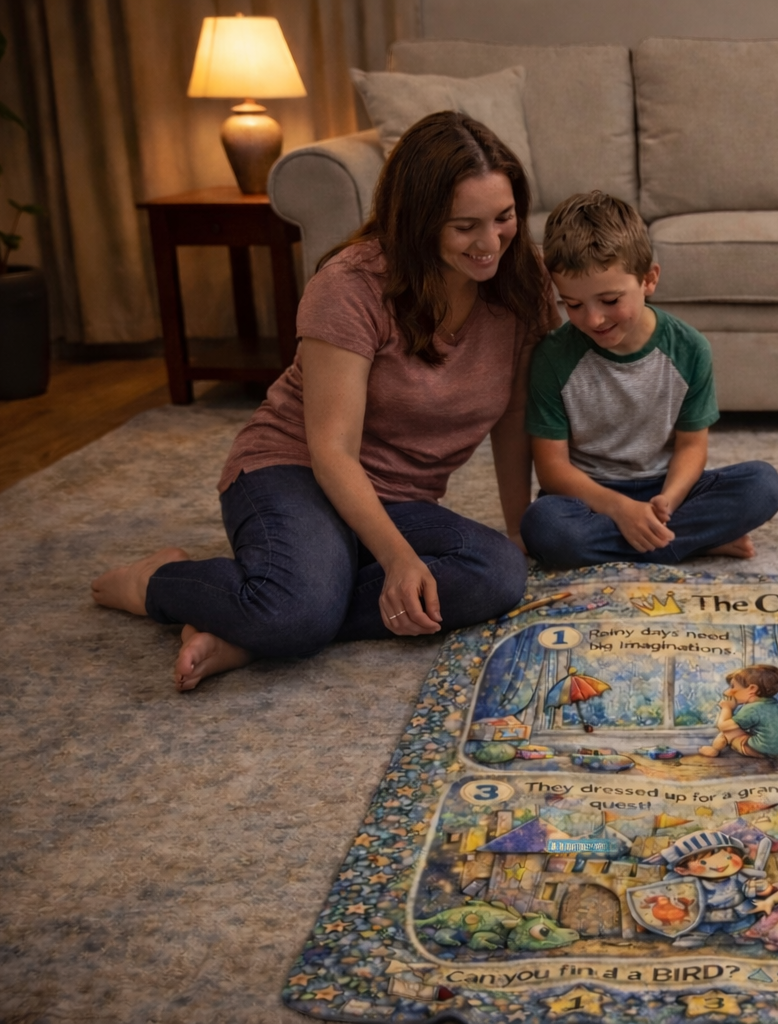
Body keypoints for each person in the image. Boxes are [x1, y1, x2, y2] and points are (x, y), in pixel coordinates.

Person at [90, 112, 553, 690]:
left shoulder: (521, 281)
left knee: (496, 574)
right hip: (294, 469)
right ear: (417, 221)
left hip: (399, 496)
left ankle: (254, 625)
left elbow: (511, 416)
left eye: (503, 218)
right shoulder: (352, 284)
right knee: (299, 611)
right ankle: (159, 579)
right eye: (465, 227)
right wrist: (397, 558)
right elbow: (331, 450)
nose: (491, 244)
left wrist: (515, 527)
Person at [518, 190, 778, 568]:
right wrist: (622, 510)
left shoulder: (690, 349)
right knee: (543, 526)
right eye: (572, 304)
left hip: (668, 490)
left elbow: (692, 447)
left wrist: (669, 501)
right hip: (590, 498)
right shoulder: (553, 358)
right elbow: (553, 469)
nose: (593, 320)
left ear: (649, 279)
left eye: (610, 300)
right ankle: (692, 543)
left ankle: (654, 536)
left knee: (762, 484)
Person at [655, 830, 767, 947]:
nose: (719, 864)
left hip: (736, 913)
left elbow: (757, 890)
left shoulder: (739, 876)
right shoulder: (691, 884)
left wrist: (758, 888)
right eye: (703, 862)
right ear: (682, 870)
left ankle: (741, 932)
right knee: (700, 926)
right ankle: (696, 934)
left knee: (742, 924)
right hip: (706, 916)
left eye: (727, 857)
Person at [699, 664, 778, 759]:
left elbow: (723, 726)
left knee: (728, 732)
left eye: (733, 687)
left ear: (752, 689)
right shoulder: (774, 704)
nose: (726, 692)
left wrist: (727, 708)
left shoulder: (752, 708)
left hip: (763, 751)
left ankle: (714, 750)